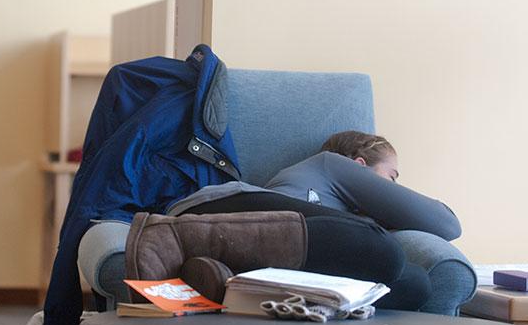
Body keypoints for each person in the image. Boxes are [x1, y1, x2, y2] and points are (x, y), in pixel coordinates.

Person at [171, 131, 461, 311]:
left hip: (276, 252)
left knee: (415, 282)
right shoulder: (329, 164)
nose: (392, 188)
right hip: (221, 209)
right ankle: (211, 252)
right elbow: (447, 224)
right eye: (392, 177)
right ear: (358, 165)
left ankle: (233, 281)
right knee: (384, 249)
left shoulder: (339, 224)